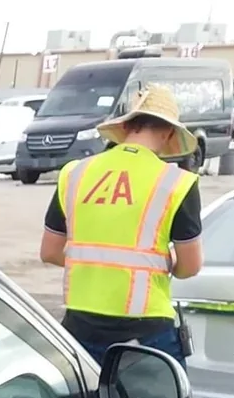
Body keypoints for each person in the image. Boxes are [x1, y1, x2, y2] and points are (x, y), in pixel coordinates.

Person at [39, 83, 203, 363]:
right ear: (168, 133)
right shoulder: (177, 183)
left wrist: (94, 266)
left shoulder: (75, 173)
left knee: (82, 393)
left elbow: (50, 251)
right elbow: (190, 266)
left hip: (80, 325)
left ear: (126, 127)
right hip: (146, 329)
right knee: (163, 393)